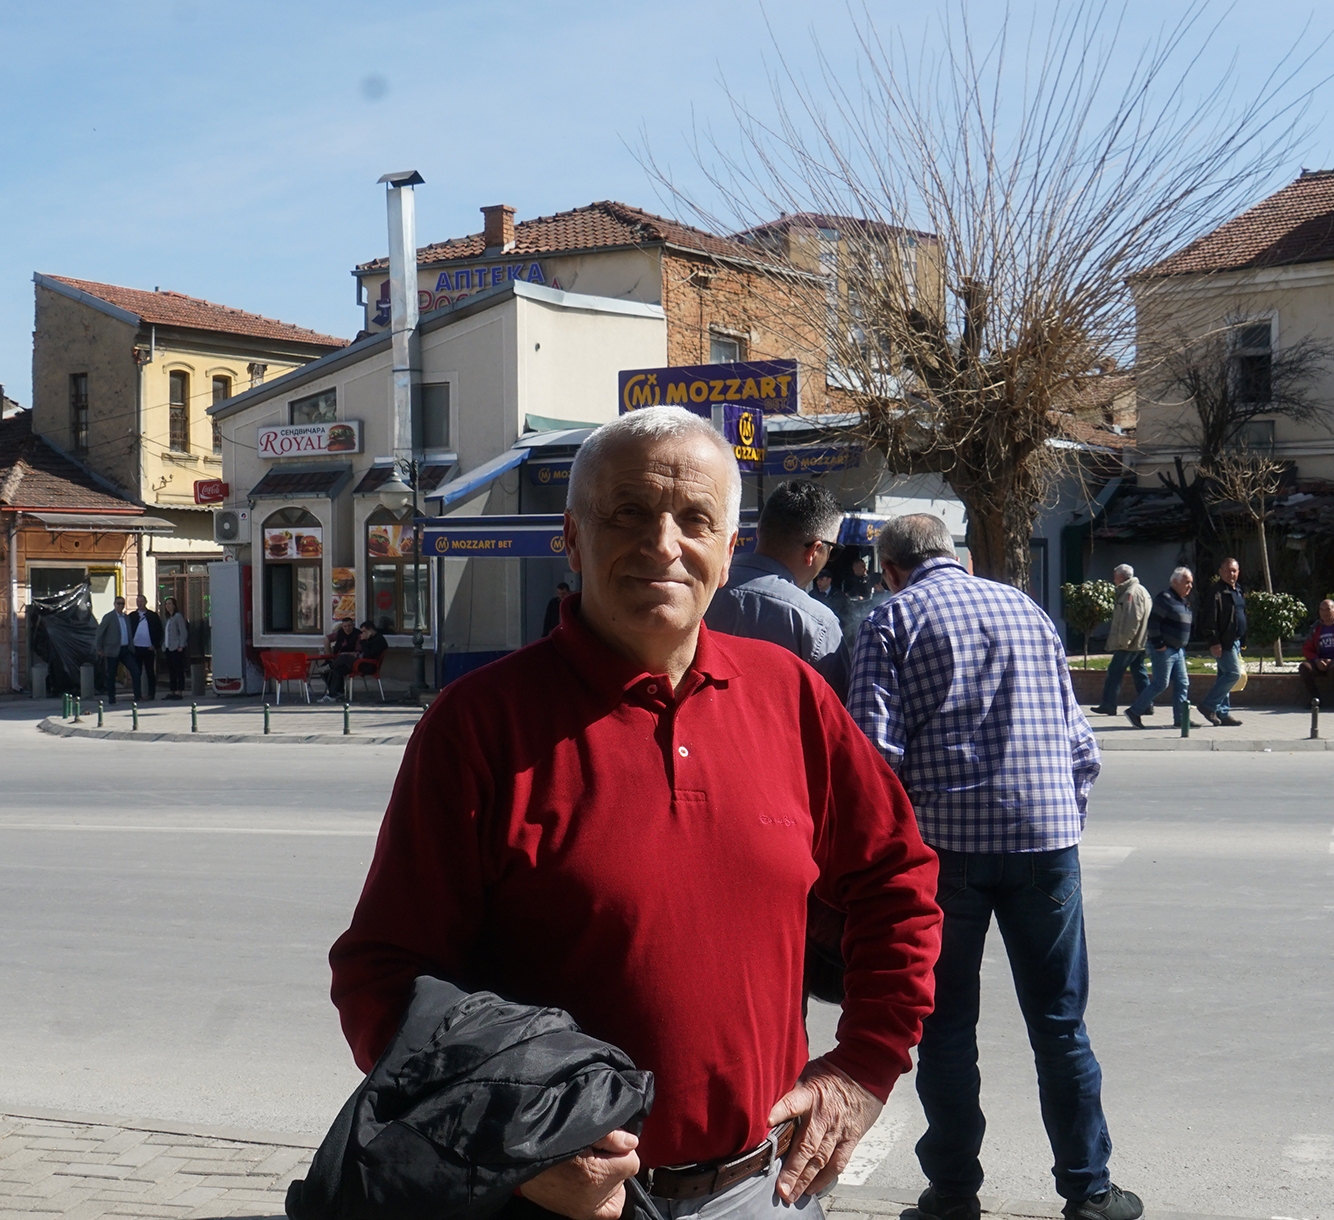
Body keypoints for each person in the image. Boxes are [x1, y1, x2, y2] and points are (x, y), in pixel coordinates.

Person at [328, 406, 941, 1220]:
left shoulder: (791, 698)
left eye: (695, 519)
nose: (662, 544)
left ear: (729, 549)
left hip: (765, 1192)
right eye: (628, 513)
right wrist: (503, 1150)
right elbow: (382, 975)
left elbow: (898, 881)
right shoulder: (481, 724)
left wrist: (865, 1067)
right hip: (553, 1204)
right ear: (573, 539)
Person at [848, 514, 1143, 1220]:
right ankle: (1090, 1190)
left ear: (890, 568)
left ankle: (952, 1195)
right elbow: (1081, 744)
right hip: (1045, 843)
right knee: (1060, 1024)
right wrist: (1056, 817)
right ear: (957, 556)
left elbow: (872, 755)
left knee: (945, 1027)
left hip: (942, 851)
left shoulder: (892, 619)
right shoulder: (1028, 609)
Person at [707, 479, 849, 696]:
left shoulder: (699, 589)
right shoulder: (816, 625)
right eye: (833, 550)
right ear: (814, 550)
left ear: (759, 530)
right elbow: (836, 720)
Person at [1127, 566, 1193, 728]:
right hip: (1164, 650)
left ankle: (1181, 719)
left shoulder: (1182, 601)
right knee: (1161, 683)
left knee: (1182, 683)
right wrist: (1159, 645)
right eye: (1187, 582)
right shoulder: (1165, 598)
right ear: (1175, 582)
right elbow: (1153, 623)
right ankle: (1135, 711)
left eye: (1191, 583)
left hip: (1178, 650)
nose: (1190, 586)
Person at [1089, 565, 1152, 717]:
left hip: (1129, 644)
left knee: (1114, 673)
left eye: (1115, 576)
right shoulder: (1139, 590)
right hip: (1138, 642)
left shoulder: (1131, 593)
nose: (1114, 579)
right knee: (1139, 673)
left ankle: (1109, 704)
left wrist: (1124, 642)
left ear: (1122, 577)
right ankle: (1147, 704)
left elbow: (1132, 620)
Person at [1191, 557, 1246, 727]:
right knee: (1233, 674)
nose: (1232, 574)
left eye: (1235, 570)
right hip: (1223, 642)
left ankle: (1222, 713)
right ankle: (1208, 705)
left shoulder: (1237, 590)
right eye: (1228, 570)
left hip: (1235, 641)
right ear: (1220, 572)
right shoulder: (1215, 593)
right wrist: (1214, 642)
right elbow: (1208, 620)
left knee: (1224, 676)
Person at [1298, 598, 1334, 711]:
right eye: (1321, 610)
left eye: (1328, 609)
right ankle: (1315, 699)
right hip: (1320, 661)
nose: (1324, 612)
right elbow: (1307, 648)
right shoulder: (1315, 627)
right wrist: (1316, 660)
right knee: (1304, 667)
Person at [327, 621, 388, 699]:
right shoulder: (371, 639)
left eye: (364, 631)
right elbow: (365, 652)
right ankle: (335, 694)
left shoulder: (379, 640)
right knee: (338, 669)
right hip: (362, 662)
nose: (362, 634)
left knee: (344, 657)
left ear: (370, 630)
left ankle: (328, 667)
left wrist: (362, 641)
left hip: (368, 666)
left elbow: (368, 654)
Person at [125, 594, 162, 701]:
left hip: (148, 648)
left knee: (150, 672)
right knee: (137, 672)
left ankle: (151, 694)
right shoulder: (132, 616)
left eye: (141, 601)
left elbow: (159, 631)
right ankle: (138, 695)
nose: (139, 603)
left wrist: (154, 645)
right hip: (136, 648)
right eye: (138, 601)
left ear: (145, 602)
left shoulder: (153, 616)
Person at [93, 595, 126, 702]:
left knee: (135, 670)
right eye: (118, 603)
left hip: (125, 649)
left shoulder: (126, 617)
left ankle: (138, 696)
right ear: (114, 604)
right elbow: (100, 632)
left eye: (122, 604)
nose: (121, 606)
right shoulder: (109, 617)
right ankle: (112, 698)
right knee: (111, 674)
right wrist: (99, 647)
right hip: (112, 650)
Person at [160, 598, 190, 699]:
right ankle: (172, 690)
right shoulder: (168, 618)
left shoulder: (178, 617)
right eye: (166, 604)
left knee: (178, 670)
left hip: (176, 648)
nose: (167, 606)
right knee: (171, 670)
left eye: (169, 604)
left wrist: (181, 645)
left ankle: (179, 691)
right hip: (168, 647)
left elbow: (183, 632)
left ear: (174, 605)